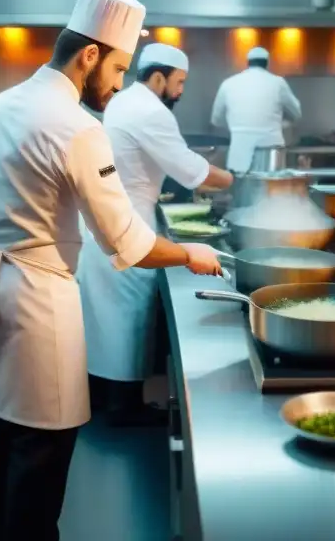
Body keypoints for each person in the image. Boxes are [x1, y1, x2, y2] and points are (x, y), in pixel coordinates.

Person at [0, 0, 222, 541]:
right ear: (91, 55)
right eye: (120, 67)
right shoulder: (78, 128)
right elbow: (128, 243)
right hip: (38, 305)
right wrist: (191, 252)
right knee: (39, 457)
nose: (121, 83)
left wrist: (22, 232)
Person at [79, 43, 234, 426]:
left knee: (104, 319)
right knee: (127, 316)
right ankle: (123, 408)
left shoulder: (123, 102)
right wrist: (241, 182)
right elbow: (190, 171)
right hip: (128, 223)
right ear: (159, 76)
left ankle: (104, 399)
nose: (181, 91)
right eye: (179, 82)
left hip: (106, 221)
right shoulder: (151, 110)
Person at [210, 46, 302, 173]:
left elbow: (216, 120)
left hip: (240, 152)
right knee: (270, 190)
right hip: (271, 154)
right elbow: (296, 113)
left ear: (248, 63)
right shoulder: (278, 83)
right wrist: (281, 123)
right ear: (267, 63)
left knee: (241, 190)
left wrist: (237, 126)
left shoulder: (228, 83)